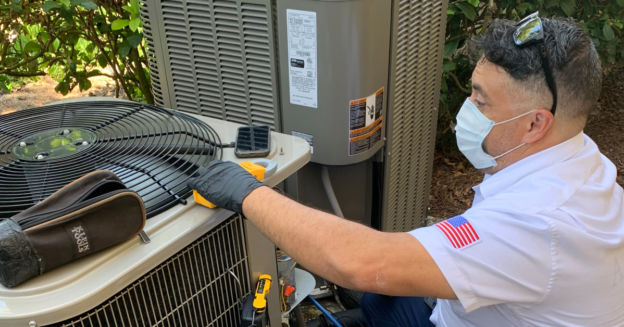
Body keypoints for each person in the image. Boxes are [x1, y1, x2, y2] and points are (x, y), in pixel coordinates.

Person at [188, 13, 624, 326]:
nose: (466, 110)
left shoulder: (539, 222)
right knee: (382, 291)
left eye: (480, 99)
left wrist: (247, 191)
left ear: (534, 124)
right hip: (477, 309)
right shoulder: (581, 161)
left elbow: (359, 262)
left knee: (376, 280)